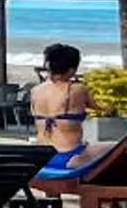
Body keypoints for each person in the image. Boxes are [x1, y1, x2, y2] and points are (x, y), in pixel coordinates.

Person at [28, 43, 97, 172]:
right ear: (71, 70)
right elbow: (101, 108)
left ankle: (52, 192)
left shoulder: (35, 91)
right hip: (69, 157)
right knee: (113, 148)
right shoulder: (77, 89)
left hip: (41, 158)